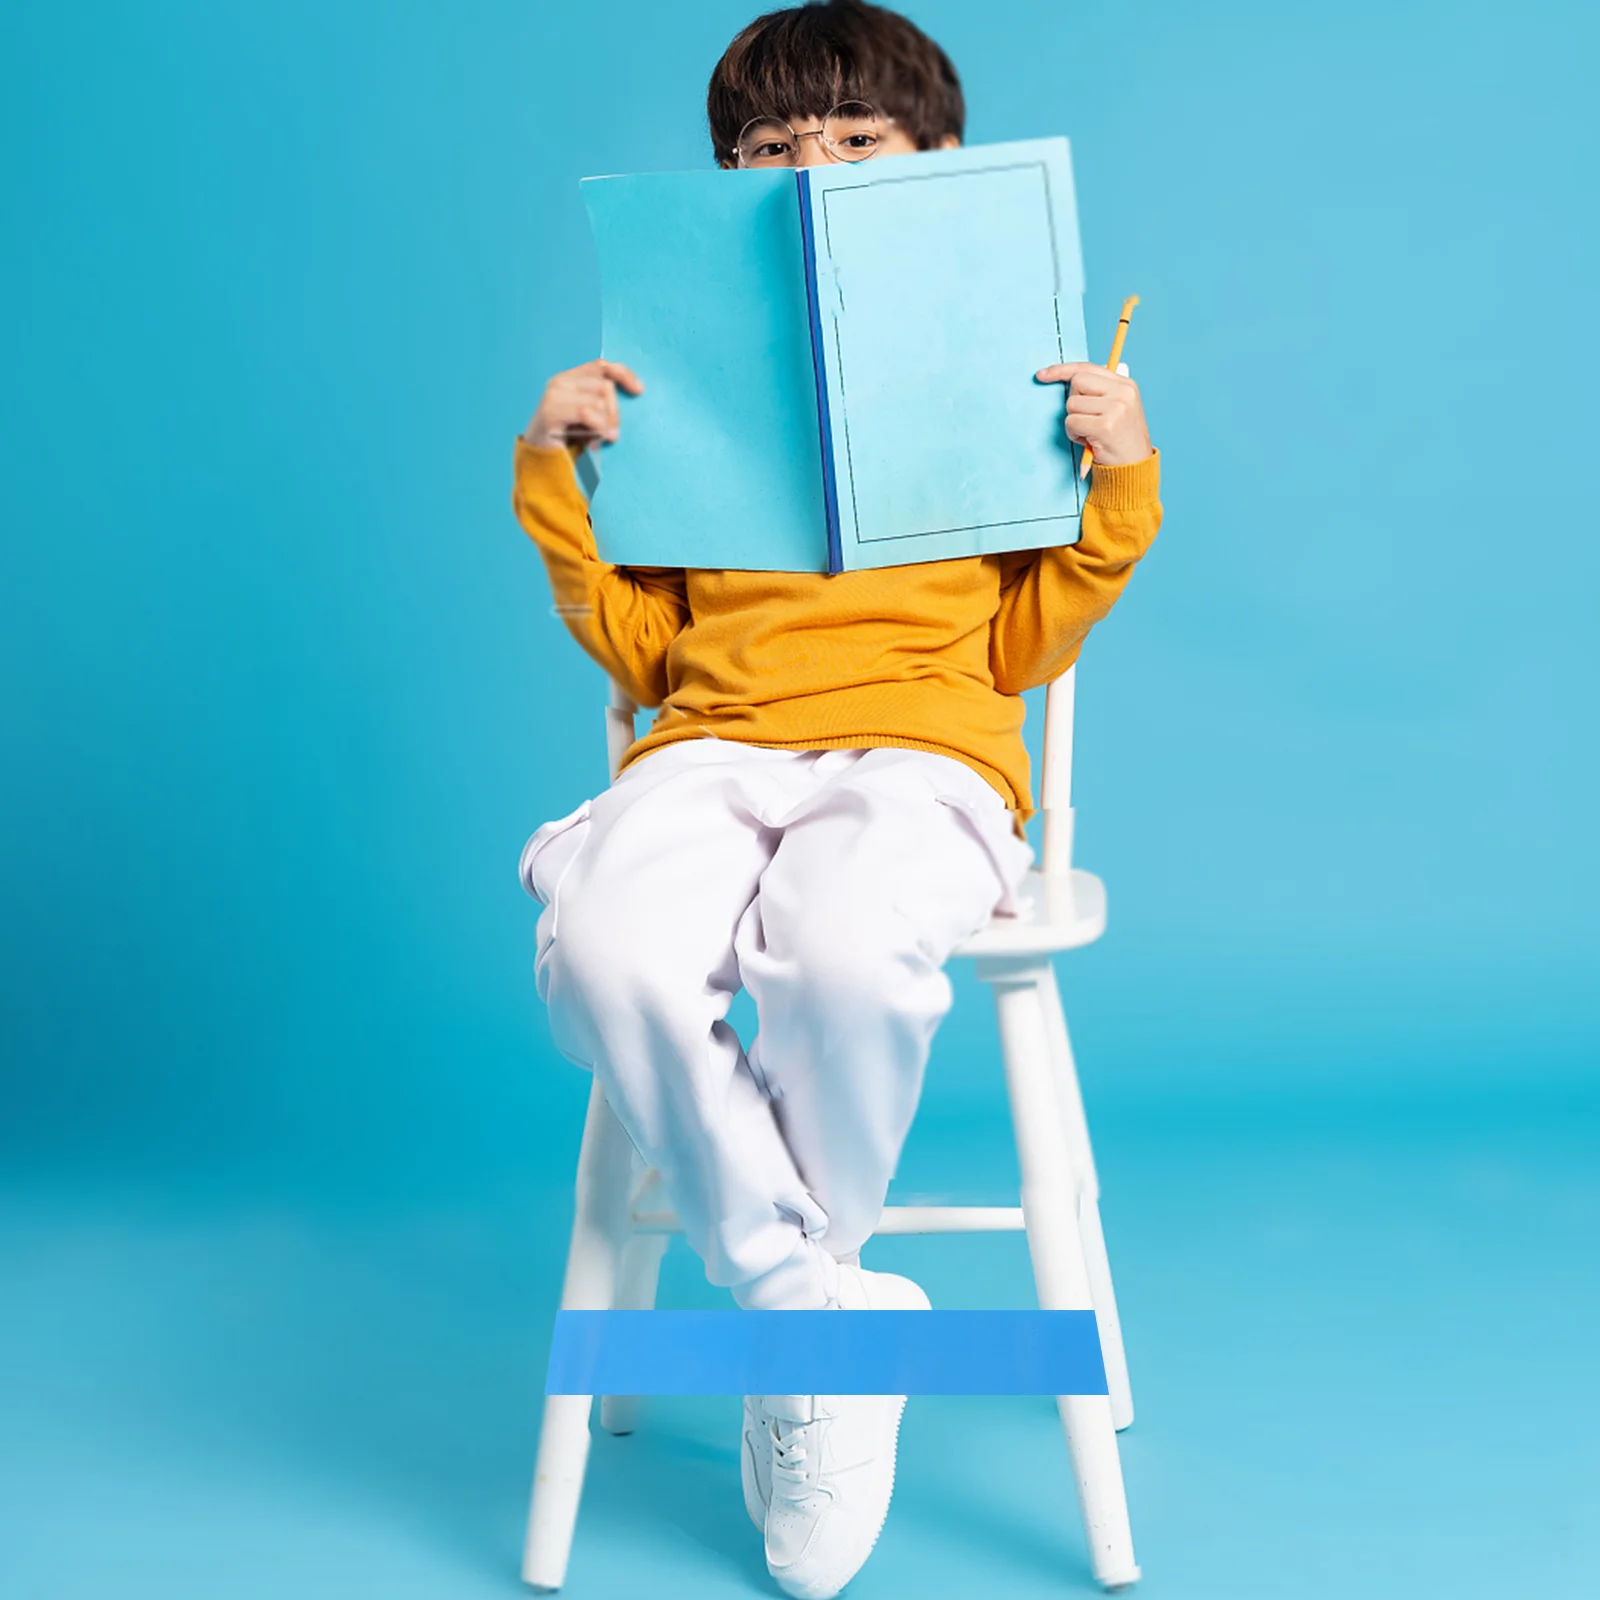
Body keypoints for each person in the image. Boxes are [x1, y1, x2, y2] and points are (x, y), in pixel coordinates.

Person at [513, 3, 1161, 1594]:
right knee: (601, 949)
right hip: (712, 745)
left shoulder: (1001, 358)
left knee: (855, 949)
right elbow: (649, 652)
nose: (814, 170)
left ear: (938, 160)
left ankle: (794, 1332)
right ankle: (816, 1317)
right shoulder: (692, 373)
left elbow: (1021, 638)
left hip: (924, 751)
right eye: (771, 150)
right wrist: (559, 465)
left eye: (859, 142)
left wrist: (1119, 474)